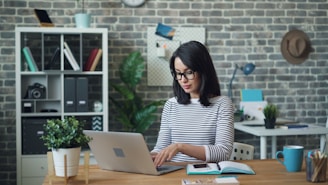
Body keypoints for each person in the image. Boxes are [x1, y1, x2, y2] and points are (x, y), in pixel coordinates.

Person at [151, 40, 234, 167]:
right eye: (178, 73)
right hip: (173, 174)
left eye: (189, 72)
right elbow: (161, 148)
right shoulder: (171, 105)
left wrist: (180, 147)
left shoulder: (222, 104)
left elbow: (223, 152)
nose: (183, 80)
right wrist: (150, 156)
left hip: (206, 175)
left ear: (203, 71)